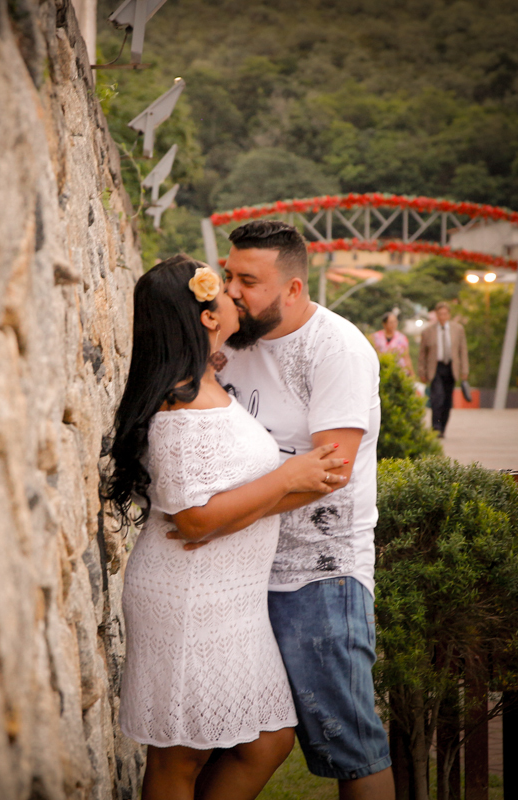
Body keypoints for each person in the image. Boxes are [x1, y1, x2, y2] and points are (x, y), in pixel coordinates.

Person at [104, 254, 350, 800]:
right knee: (180, 756)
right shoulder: (179, 403)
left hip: (229, 596)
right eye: (223, 289)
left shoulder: (204, 381)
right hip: (192, 596)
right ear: (207, 316)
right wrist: (289, 475)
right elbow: (194, 520)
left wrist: (289, 485)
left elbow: (220, 508)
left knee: (267, 740)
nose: (235, 295)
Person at [200, 220, 395, 798]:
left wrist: (226, 513)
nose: (231, 290)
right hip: (233, 570)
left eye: (248, 281)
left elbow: (330, 472)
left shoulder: (336, 350)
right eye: (228, 274)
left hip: (318, 576)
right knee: (229, 735)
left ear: (292, 288)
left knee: (350, 748)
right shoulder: (229, 344)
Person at [418, 301, 469, 438]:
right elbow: (422, 353)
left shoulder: (458, 329)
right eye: (440, 314)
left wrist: (465, 370)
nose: (442, 316)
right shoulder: (428, 331)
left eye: (445, 314)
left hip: (451, 368)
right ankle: (436, 427)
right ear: (436, 315)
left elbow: (462, 350)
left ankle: (443, 428)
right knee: (437, 398)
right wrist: (421, 371)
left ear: (449, 315)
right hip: (435, 368)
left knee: (447, 400)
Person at [371, 311, 413, 376]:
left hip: (399, 371)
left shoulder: (402, 338)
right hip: (382, 371)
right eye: (390, 322)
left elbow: (406, 356)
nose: (393, 324)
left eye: (395, 322)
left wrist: (411, 372)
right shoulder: (375, 337)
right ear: (384, 324)